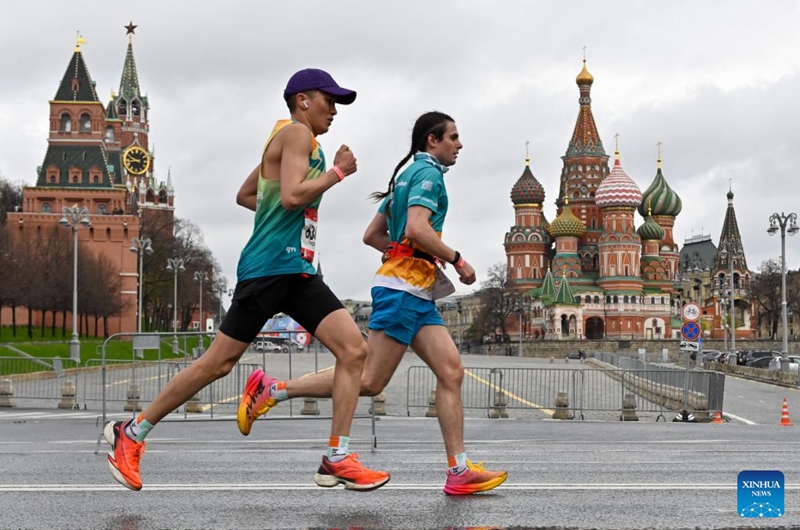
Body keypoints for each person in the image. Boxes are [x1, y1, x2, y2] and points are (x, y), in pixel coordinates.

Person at [104, 68, 390, 492]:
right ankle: (133, 432)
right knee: (216, 364)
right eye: (329, 100)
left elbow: (248, 195)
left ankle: (337, 457)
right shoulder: (296, 135)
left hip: (297, 270)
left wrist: (279, 212)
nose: (335, 110)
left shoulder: (290, 140)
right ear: (303, 100)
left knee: (354, 350)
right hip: (269, 269)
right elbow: (292, 195)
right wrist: (338, 173)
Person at [238, 111, 508, 495]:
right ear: (432, 141)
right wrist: (455, 258)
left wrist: (406, 253)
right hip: (402, 290)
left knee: (451, 372)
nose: (459, 144)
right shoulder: (427, 174)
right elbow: (417, 227)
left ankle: (459, 470)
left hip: (416, 289)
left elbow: (372, 235)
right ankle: (273, 389)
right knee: (368, 380)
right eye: (453, 137)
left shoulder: (404, 177)